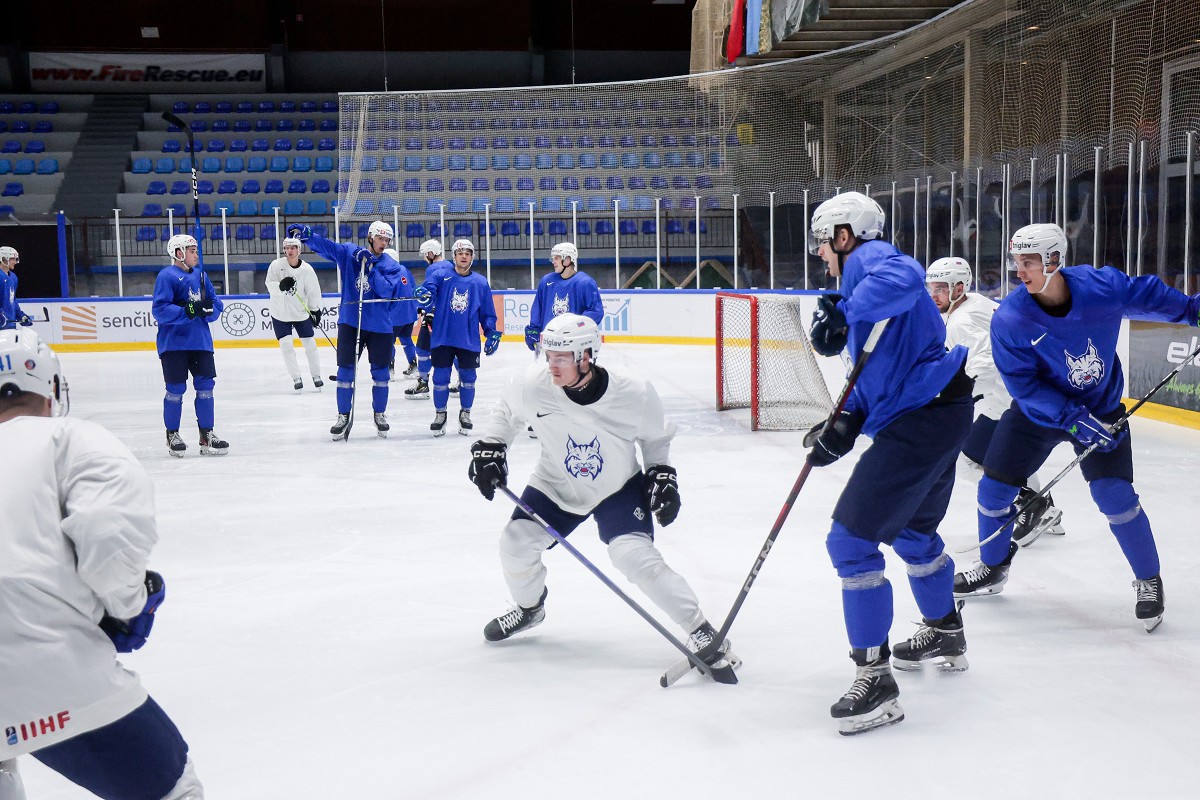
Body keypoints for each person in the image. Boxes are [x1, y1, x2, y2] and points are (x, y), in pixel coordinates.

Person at [952, 223, 1200, 633]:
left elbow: (1149, 294)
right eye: (1017, 262)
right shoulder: (1012, 318)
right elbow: (1023, 384)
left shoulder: (1101, 287)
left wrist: (1192, 310)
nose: (1019, 271)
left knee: (1115, 496)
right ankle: (992, 567)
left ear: (1054, 260)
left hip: (1101, 410)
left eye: (1028, 262)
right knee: (993, 491)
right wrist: (1071, 419)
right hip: (1040, 415)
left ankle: (1148, 582)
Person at [467, 313, 737, 680]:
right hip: (555, 483)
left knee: (634, 558)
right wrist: (492, 448)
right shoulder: (533, 384)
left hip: (617, 487)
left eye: (562, 357)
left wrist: (662, 475)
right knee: (514, 543)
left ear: (587, 355)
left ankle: (700, 628)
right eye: (549, 355)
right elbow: (507, 413)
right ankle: (530, 609)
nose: (552, 364)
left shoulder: (633, 392)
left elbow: (656, 438)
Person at [0, 328, 204, 799]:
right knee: (173, 790)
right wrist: (129, 605)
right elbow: (109, 534)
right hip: (52, 667)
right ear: (51, 388)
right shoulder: (70, 438)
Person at [804, 191, 975, 735]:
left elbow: (906, 276)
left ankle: (875, 679)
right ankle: (946, 629)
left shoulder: (870, 264)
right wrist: (845, 422)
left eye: (824, 244)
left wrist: (845, 310)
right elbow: (873, 371)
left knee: (851, 543)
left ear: (844, 235)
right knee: (913, 533)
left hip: (923, 417)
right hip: (935, 410)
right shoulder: (859, 280)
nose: (822, 256)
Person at [926, 256, 1064, 546]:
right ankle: (1043, 504)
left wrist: (959, 399)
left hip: (1005, 400)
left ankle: (1030, 502)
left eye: (940, 288)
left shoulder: (960, 321)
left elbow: (986, 363)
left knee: (965, 462)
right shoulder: (974, 302)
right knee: (1007, 455)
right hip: (1018, 394)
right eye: (930, 288)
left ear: (958, 287)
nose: (933, 295)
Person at [287, 221, 402, 439]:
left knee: (380, 374)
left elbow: (386, 291)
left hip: (380, 326)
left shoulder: (391, 264)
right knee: (345, 373)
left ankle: (380, 414)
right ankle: (342, 415)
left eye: (387, 240)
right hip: (351, 322)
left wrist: (370, 268)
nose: (384, 243)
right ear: (370, 237)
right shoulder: (351, 253)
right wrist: (308, 235)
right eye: (381, 239)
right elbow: (327, 247)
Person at [151, 234, 227, 457]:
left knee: (206, 387)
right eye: (192, 250)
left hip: (200, 342)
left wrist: (209, 309)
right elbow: (160, 309)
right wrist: (187, 311)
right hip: (174, 344)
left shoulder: (201, 276)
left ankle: (207, 433)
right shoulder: (166, 276)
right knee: (175, 390)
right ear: (179, 253)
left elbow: (216, 303)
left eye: (196, 250)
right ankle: (172, 434)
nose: (196, 254)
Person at [414, 238, 500, 436]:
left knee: (469, 378)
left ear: (472, 257)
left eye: (468, 253)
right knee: (441, 378)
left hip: (468, 340)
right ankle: (440, 414)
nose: (464, 256)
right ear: (454, 256)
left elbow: (487, 313)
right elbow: (429, 294)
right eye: (460, 253)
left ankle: (465, 414)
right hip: (443, 338)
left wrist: (491, 332)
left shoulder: (480, 282)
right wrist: (424, 296)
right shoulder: (440, 275)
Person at [265, 236, 325, 391]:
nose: (289, 251)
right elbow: (269, 284)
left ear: (299, 250)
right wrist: (280, 286)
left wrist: (315, 309)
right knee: (286, 345)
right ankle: (296, 377)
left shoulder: (307, 270)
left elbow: (313, 291)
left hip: (300, 312)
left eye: (293, 248)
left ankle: (316, 375)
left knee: (310, 344)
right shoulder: (276, 265)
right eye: (287, 248)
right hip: (280, 312)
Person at [525, 242, 604, 351]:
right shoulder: (547, 281)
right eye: (553, 258)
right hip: (549, 342)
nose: (553, 262)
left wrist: (575, 327)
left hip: (574, 345)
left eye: (556, 258)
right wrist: (534, 329)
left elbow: (595, 311)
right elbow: (538, 308)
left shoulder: (585, 283)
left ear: (567, 260)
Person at [404, 239, 450, 400]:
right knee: (453, 350)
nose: (424, 258)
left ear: (431, 253)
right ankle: (462, 382)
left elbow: (429, 295)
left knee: (423, 350)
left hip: (434, 316)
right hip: (449, 317)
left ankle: (423, 383)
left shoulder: (433, 269)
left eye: (425, 254)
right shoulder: (451, 266)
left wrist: (424, 307)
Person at [383, 247, 418, 384]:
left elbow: (385, 292)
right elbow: (414, 288)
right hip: (409, 313)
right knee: (406, 339)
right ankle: (414, 365)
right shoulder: (405, 270)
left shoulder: (388, 272)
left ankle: (389, 369)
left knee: (388, 342)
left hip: (394, 315)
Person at [0, 246, 32, 330]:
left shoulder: (13, 277)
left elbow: (12, 300)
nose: (15, 262)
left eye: (15, 259)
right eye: (12, 259)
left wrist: (20, 315)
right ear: (3, 259)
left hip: (10, 325)